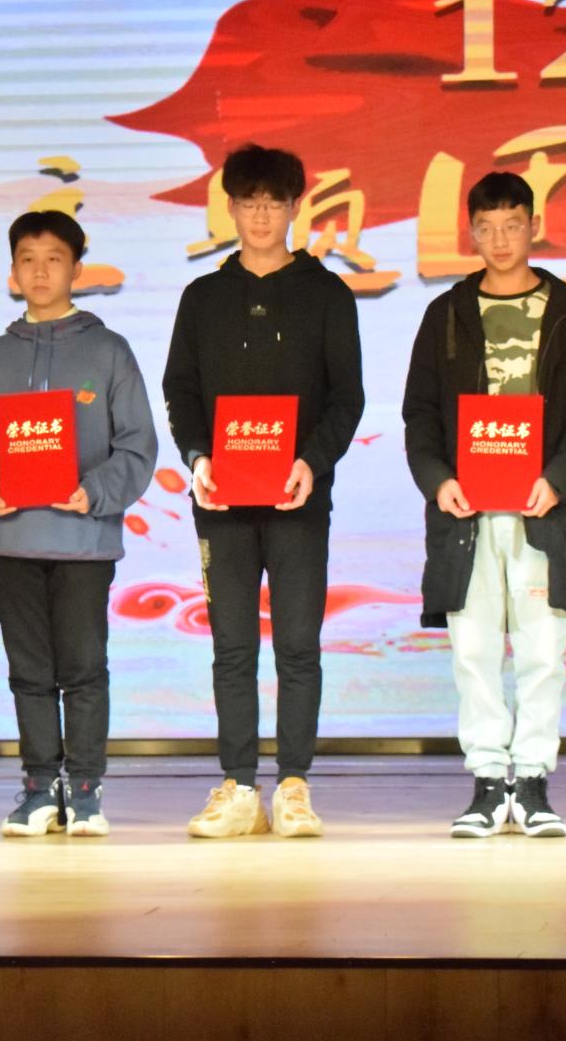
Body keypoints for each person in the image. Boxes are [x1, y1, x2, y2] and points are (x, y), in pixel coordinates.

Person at [401, 172, 566, 838]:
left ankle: (534, 779)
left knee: (543, 650)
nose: (500, 239)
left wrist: (560, 478)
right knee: (473, 650)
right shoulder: (447, 314)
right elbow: (419, 412)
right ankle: (489, 781)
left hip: (543, 508)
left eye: (512, 225)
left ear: (533, 226)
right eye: (487, 227)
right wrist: (438, 480)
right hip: (466, 511)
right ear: (472, 232)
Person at [161, 144, 364, 838]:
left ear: (294, 207)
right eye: (248, 202)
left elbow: (347, 397)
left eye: (274, 202)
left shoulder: (327, 294)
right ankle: (239, 786)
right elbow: (180, 391)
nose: (260, 215)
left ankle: (295, 785)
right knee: (232, 646)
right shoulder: (203, 297)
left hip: (298, 499)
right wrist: (197, 458)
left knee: (299, 644)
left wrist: (312, 461)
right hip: (221, 501)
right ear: (230, 207)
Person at [0, 210, 157, 837]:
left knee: (84, 669)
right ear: (13, 271)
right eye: (28, 260)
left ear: (76, 269)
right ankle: (39, 787)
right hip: (13, 540)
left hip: (84, 542)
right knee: (29, 672)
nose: (40, 272)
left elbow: (138, 445)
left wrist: (95, 493)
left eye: (54, 259)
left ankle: (85, 789)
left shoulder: (109, 351)